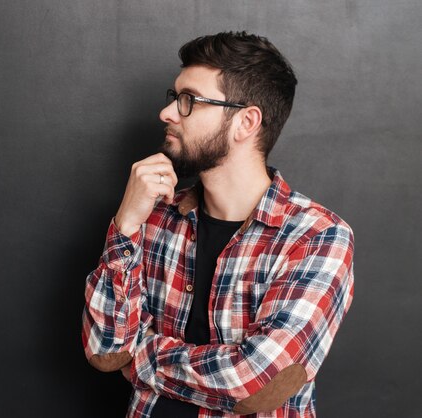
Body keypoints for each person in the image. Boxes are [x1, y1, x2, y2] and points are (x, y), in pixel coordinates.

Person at [81, 32, 354, 418]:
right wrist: (124, 226)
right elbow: (106, 351)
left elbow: (255, 383)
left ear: (245, 122)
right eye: (173, 98)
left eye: (189, 100)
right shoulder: (153, 215)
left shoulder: (317, 237)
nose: (168, 113)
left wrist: (140, 356)